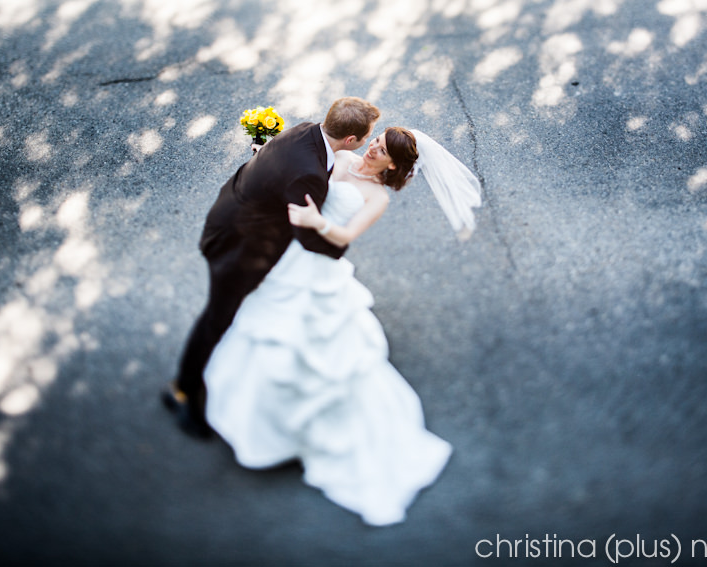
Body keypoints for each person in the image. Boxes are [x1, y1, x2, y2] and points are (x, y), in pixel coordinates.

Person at [202, 127, 481, 526]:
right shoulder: (344, 159)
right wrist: (269, 157)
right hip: (289, 250)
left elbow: (346, 234)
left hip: (317, 263)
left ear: (393, 166)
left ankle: (306, 431)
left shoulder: (376, 198)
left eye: (381, 151)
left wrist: (316, 221)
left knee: (309, 340)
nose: (371, 149)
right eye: (375, 141)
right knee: (263, 323)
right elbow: (303, 178)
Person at [163, 97, 381, 438]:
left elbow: (280, 171)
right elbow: (306, 234)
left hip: (233, 215)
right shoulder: (309, 173)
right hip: (237, 247)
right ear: (351, 140)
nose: (369, 142)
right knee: (216, 318)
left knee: (232, 314)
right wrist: (338, 248)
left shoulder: (307, 131)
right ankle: (181, 391)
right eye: (368, 136)